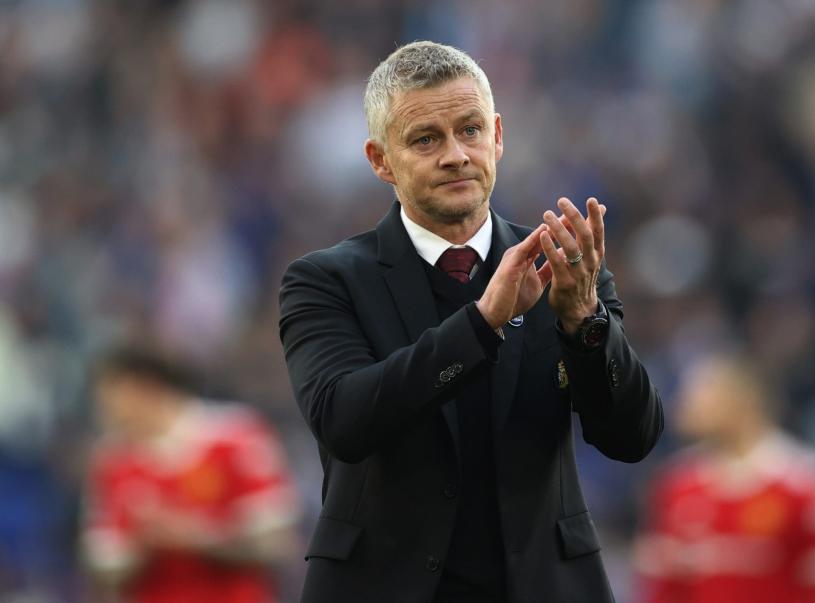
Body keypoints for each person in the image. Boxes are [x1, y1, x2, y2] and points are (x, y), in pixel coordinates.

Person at [278, 41, 663, 603]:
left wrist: (587, 324)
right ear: (380, 160)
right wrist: (482, 323)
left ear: (498, 136)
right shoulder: (325, 280)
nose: (456, 154)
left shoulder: (563, 269)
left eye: (471, 130)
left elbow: (632, 437)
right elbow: (344, 420)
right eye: (426, 138)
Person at [631, 354, 815, 603]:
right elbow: (661, 585)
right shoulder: (677, 485)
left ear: (743, 400)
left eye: (705, 392)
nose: (687, 402)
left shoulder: (804, 483)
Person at [82, 346, 300, 603]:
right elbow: (102, 563)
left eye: (111, 396)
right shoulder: (110, 460)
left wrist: (200, 537)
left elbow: (277, 541)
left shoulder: (236, 436)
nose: (105, 410)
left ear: (146, 387)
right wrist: (142, 547)